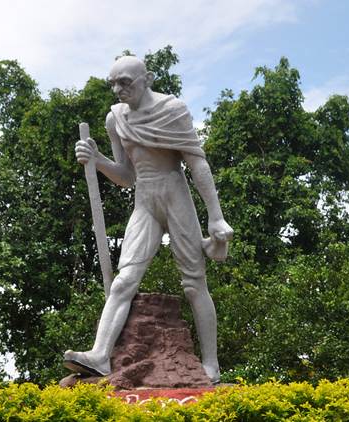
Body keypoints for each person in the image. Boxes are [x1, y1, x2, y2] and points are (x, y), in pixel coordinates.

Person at [64, 55, 233, 383]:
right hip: (144, 199)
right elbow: (126, 176)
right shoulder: (115, 119)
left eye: (125, 82)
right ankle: (100, 355)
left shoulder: (173, 110)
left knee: (194, 284)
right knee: (124, 280)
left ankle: (211, 364)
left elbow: (197, 163)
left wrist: (215, 217)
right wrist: (97, 160)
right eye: (112, 83)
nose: (118, 89)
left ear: (148, 78)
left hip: (175, 194)